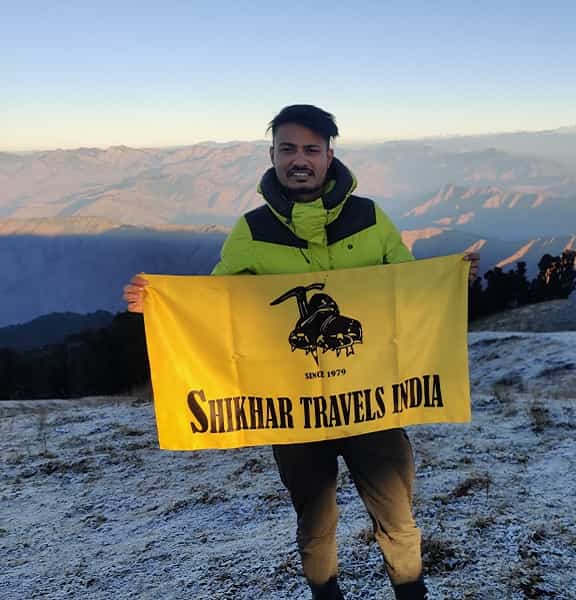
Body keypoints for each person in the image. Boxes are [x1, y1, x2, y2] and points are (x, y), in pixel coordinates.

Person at [124, 105, 479, 600]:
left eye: (311, 149)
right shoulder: (251, 231)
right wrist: (161, 308)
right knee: (315, 524)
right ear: (272, 156)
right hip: (294, 412)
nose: (299, 159)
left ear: (329, 156)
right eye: (288, 149)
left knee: (397, 517)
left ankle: (411, 592)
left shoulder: (370, 218)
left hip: (373, 402)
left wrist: (448, 280)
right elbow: (216, 308)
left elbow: (405, 287)